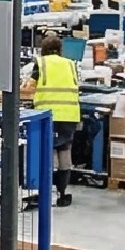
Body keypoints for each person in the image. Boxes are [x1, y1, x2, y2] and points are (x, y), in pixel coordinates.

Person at [29, 30, 82, 207]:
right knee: (65, 151)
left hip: (48, 114)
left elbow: (30, 87)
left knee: (49, 152)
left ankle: (47, 193)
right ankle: (63, 193)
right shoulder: (70, 64)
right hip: (70, 115)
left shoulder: (41, 63)